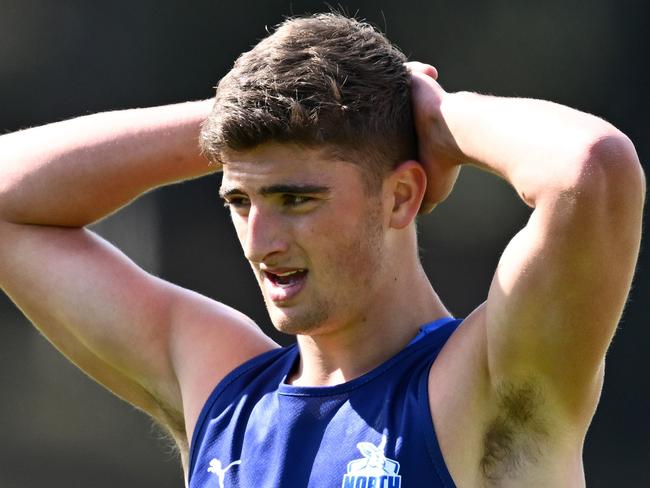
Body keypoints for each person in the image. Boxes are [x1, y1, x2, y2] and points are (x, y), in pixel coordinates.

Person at [0, 12, 644, 488]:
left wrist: (438, 117)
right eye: (240, 202)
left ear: (399, 198)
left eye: (296, 200)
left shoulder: (485, 385)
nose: (260, 242)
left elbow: (592, 169)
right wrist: (228, 118)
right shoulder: (223, 394)